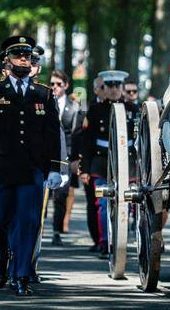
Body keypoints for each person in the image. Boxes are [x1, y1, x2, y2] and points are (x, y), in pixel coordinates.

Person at [0, 36, 64, 295]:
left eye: (27, 54)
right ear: (7, 60)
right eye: (18, 54)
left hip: (32, 170)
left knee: (28, 222)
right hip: (0, 169)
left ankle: (21, 275)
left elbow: (52, 132)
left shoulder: (44, 94)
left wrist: (55, 168)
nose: (23, 58)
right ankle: (1, 261)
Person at [76, 70, 136, 258]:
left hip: (127, 164)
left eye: (116, 86)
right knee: (102, 204)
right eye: (108, 86)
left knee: (127, 205)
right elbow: (86, 141)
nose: (113, 90)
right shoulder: (94, 110)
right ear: (103, 88)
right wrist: (84, 168)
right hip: (101, 163)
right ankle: (104, 242)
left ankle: (121, 242)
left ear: (122, 88)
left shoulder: (133, 110)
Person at [48, 70, 82, 246]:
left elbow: (76, 134)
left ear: (66, 86)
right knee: (42, 194)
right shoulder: (45, 102)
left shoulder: (74, 107)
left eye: (58, 84)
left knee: (61, 194)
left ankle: (56, 230)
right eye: (52, 84)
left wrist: (76, 158)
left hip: (65, 155)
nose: (55, 87)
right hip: (46, 154)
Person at [81, 75, 106, 251]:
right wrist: (83, 167)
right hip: (97, 164)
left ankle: (110, 240)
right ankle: (99, 240)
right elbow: (83, 140)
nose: (109, 90)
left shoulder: (128, 108)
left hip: (123, 165)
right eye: (104, 87)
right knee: (96, 203)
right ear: (96, 90)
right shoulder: (90, 109)